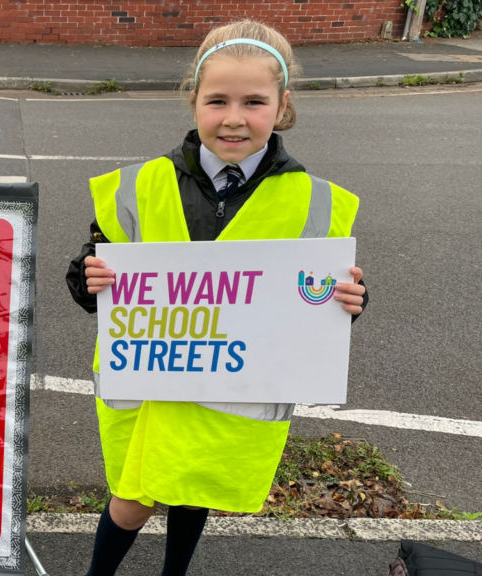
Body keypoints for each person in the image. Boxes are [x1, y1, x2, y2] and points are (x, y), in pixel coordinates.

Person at [65, 19, 370, 576]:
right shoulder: (142, 185)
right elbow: (88, 272)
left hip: (236, 388)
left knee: (195, 492)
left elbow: (319, 295)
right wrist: (89, 280)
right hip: (150, 389)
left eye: (254, 101)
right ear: (194, 102)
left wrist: (350, 298)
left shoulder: (312, 200)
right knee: (132, 501)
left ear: (281, 107)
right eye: (218, 100)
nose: (234, 118)